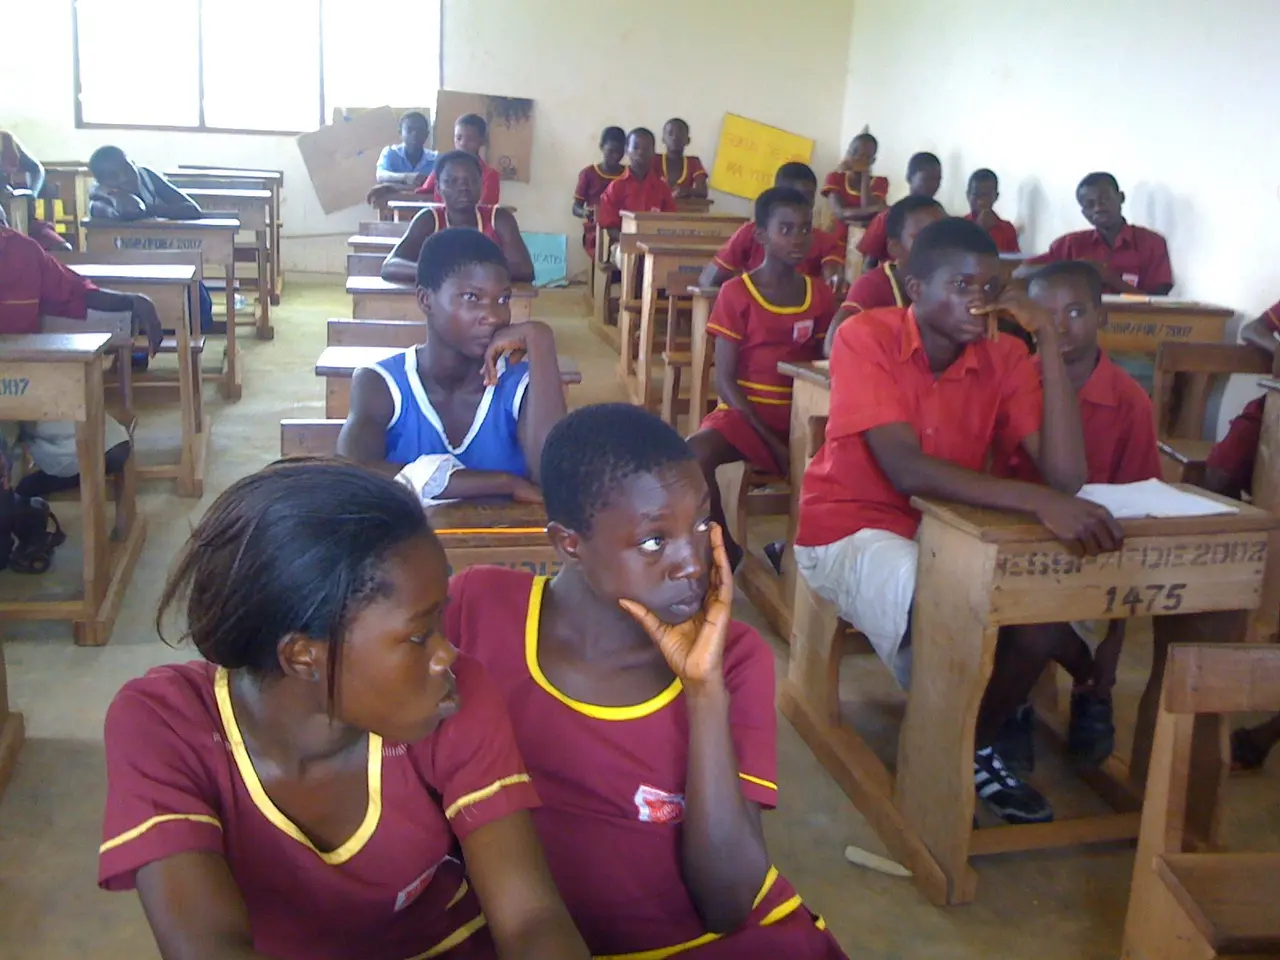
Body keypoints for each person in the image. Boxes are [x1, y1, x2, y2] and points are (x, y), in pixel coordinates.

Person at [99, 460, 590, 960]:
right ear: (302, 656)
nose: (446, 653)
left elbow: (531, 919)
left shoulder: (451, 695)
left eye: (441, 621)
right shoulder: (165, 723)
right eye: (419, 635)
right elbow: (208, 945)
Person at [447, 404, 850, 959]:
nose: (692, 561)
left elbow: (729, 902)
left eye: (702, 524)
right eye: (655, 541)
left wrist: (704, 692)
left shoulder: (733, 656)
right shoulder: (479, 607)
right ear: (569, 543)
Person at [793, 218, 1124, 825]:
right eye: (962, 283)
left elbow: (1065, 477)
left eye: (992, 286)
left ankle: (971, 740)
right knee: (948, 599)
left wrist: (1045, 340)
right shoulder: (867, 337)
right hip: (852, 527)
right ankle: (953, 743)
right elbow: (905, 470)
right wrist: (1038, 504)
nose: (981, 298)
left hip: (949, 527)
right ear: (915, 288)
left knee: (1038, 615)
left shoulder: (1004, 355)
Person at [988, 262, 1161, 774]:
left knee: (1085, 607)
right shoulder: (1014, 386)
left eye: (1077, 312)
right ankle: (1011, 706)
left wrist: (1112, 651)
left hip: (1090, 558)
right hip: (1012, 546)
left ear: (1101, 315)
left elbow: (1135, 518)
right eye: (1048, 315)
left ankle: (1093, 687)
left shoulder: (1129, 402)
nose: (1062, 327)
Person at [339, 229, 564, 502]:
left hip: (506, 546)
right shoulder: (381, 384)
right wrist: (503, 483)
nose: (493, 316)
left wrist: (540, 339)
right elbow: (351, 475)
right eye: (472, 297)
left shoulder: (522, 385)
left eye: (503, 299)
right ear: (425, 299)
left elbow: (554, 479)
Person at [686, 187, 836, 569]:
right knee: (693, 455)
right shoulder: (737, 293)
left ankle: (798, 554)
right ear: (762, 235)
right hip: (744, 412)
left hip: (802, 414)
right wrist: (773, 443)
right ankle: (724, 547)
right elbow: (726, 383)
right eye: (786, 229)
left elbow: (822, 368)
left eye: (804, 229)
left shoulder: (818, 295)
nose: (798, 239)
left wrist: (803, 434)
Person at [0, 213, 161, 526]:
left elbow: (75, 291)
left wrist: (132, 300)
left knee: (112, 450)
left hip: (28, 383)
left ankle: (31, 490)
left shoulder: (21, 250)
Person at [1196, 296, 1280, 773]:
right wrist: (1276, 349)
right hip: (1275, 404)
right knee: (1220, 476)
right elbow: (1254, 329)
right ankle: (1209, 589)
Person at [381, 151, 534, 285]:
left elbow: (525, 270)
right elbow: (390, 266)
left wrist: (467, 274)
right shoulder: (429, 220)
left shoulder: (499, 219)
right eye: (452, 181)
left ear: (482, 185)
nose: (463, 188)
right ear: (438, 188)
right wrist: (442, 273)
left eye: (471, 181)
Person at [699, 162, 846, 294]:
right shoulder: (750, 233)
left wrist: (835, 280)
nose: (801, 205)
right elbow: (708, 281)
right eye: (792, 199)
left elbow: (833, 280)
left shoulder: (825, 241)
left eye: (808, 197)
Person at [826, 195, 944, 343]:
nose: (937, 247)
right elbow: (833, 345)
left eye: (944, 237)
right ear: (895, 248)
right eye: (921, 238)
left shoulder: (952, 284)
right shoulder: (873, 286)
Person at [1036, 172, 1173, 295]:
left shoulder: (1152, 243)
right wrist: (1069, 269)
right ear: (1083, 213)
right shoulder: (1069, 244)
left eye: (1105, 199)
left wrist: (1108, 277)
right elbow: (1022, 272)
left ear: (1121, 198)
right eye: (1089, 204)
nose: (1098, 208)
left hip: (1135, 321)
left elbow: (1158, 302)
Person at [595, 128, 677, 256]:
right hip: (622, 243)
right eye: (636, 147)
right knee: (629, 257)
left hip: (654, 244)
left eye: (646, 149)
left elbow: (670, 221)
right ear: (627, 150)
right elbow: (610, 227)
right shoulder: (616, 187)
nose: (641, 152)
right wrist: (633, 242)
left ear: (653, 153)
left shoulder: (662, 187)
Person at [857, 151, 942, 268]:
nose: (933, 185)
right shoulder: (887, 217)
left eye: (937, 180)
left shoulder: (940, 218)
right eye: (926, 179)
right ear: (909, 178)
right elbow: (868, 265)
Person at [87, 146, 202, 221]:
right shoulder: (99, 199)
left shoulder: (146, 175)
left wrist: (150, 209)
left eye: (127, 168)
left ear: (134, 164)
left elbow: (192, 209)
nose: (124, 178)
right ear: (101, 182)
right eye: (113, 176)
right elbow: (131, 210)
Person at [0, 130, 70, 251]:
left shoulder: (4, 139)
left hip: (14, 209)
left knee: (61, 247)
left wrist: (32, 194)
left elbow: (36, 169)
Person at [418, 114, 502, 206]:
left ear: (482, 140)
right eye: (458, 138)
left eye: (470, 139)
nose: (463, 143)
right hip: (439, 218)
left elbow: (485, 208)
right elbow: (421, 195)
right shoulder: (442, 168)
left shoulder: (489, 175)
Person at [821, 131, 888, 246]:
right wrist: (877, 208)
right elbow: (840, 213)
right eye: (854, 153)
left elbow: (867, 207)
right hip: (836, 244)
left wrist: (865, 174)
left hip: (865, 245)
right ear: (848, 153)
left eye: (865, 157)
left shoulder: (880, 182)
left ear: (872, 161)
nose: (857, 158)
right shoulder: (835, 178)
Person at [572, 126, 626, 258]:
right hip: (595, 231)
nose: (615, 157)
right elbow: (576, 207)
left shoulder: (628, 174)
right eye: (611, 151)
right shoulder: (588, 173)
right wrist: (585, 212)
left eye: (619, 152)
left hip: (624, 227)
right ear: (601, 147)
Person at [375, 110, 437, 188]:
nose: (415, 134)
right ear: (400, 133)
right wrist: (406, 177)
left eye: (420, 130)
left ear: (426, 134)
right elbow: (380, 175)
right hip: (395, 199)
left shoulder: (435, 159)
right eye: (409, 130)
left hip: (423, 200)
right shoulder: (390, 153)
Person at [965, 169, 1019, 254]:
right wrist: (980, 230)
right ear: (968, 195)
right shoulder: (959, 226)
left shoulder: (1007, 229)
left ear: (996, 197)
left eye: (986, 196)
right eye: (976, 195)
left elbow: (1013, 261)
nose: (981, 201)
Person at [657, 118, 708, 200]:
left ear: (688, 140)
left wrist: (685, 191)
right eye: (670, 134)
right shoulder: (655, 160)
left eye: (680, 134)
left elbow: (703, 192)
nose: (675, 138)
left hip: (683, 210)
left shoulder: (693, 162)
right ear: (663, 139)